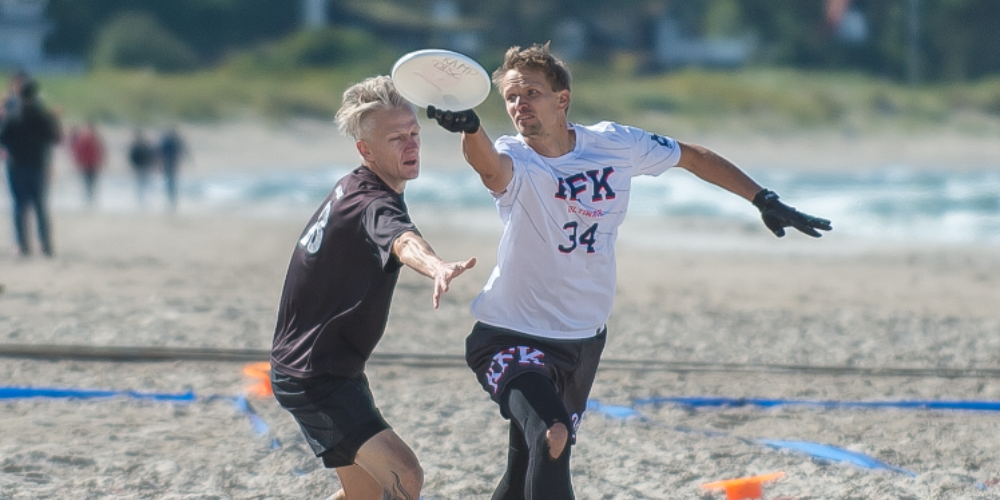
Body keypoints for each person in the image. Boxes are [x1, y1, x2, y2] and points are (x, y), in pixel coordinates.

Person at [426, 42, 832, 499]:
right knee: (551, 435)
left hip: (581, 341)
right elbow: (489, 169)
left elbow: (693, 156)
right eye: (512, 98)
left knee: (525, 470)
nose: (520, 106)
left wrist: (763, 198)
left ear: (562, 100)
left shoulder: (615, 144)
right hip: (509, 333)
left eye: (532, 94)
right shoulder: (516, 157)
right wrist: (470, 126)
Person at [269, 75, 477, 500]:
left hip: (329, 367)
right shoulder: (371, 202)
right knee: (405, 476)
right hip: (313, 374)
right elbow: (401, 240)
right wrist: (434, 264)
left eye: (414, 133)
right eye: (396, 137)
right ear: (365, 149)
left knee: (365, 495)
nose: (411, 144)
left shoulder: (356, 186)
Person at [0, 78, 61, 257]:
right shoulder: (43, 116)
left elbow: (2, 139)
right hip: (38, 165)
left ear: (19, 95)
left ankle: (23, 245)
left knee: (19, 206)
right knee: (40, 206)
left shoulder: (13, 117)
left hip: (17, 165)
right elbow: (55, 139)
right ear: (35, 95)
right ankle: (46, 245)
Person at [68, 121, 106, 207]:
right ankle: (89, 199)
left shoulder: (90, 139)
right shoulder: (89, 139)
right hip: (88, 164)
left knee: (89, 182)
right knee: (89, 182)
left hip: (91, 164)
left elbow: (100, 151)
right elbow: (79, 151)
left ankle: (89, 199)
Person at [158, 127, 187, 210]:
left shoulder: (167, 141)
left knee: (170, 183)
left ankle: (171, 201)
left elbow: (160, 153)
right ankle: (171, 201)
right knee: (171, 183)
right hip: (170, 165)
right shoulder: (171, 141)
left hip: (171, 165)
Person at [127, 128, 157, 207]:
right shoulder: (136, 146)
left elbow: (151, 156)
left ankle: (144, 200)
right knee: (140, 185)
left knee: (145, 185)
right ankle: (140, 200)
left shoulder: (144, 146)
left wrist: (150, 165)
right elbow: (132, 157)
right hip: (139, 168)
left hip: (144, 168)